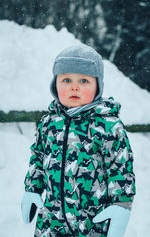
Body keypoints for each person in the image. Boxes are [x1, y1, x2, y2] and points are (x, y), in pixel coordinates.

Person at [21, 44, 136, 237]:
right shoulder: (49, 123)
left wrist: (121, 206)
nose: (74, 87)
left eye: (84, 80)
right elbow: (38, 158)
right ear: (55, 84)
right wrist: (32, 189)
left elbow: (121, 168)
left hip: (92, 223)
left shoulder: (108, 126)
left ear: (97, 86)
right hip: (51, 221)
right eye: (66, 80)